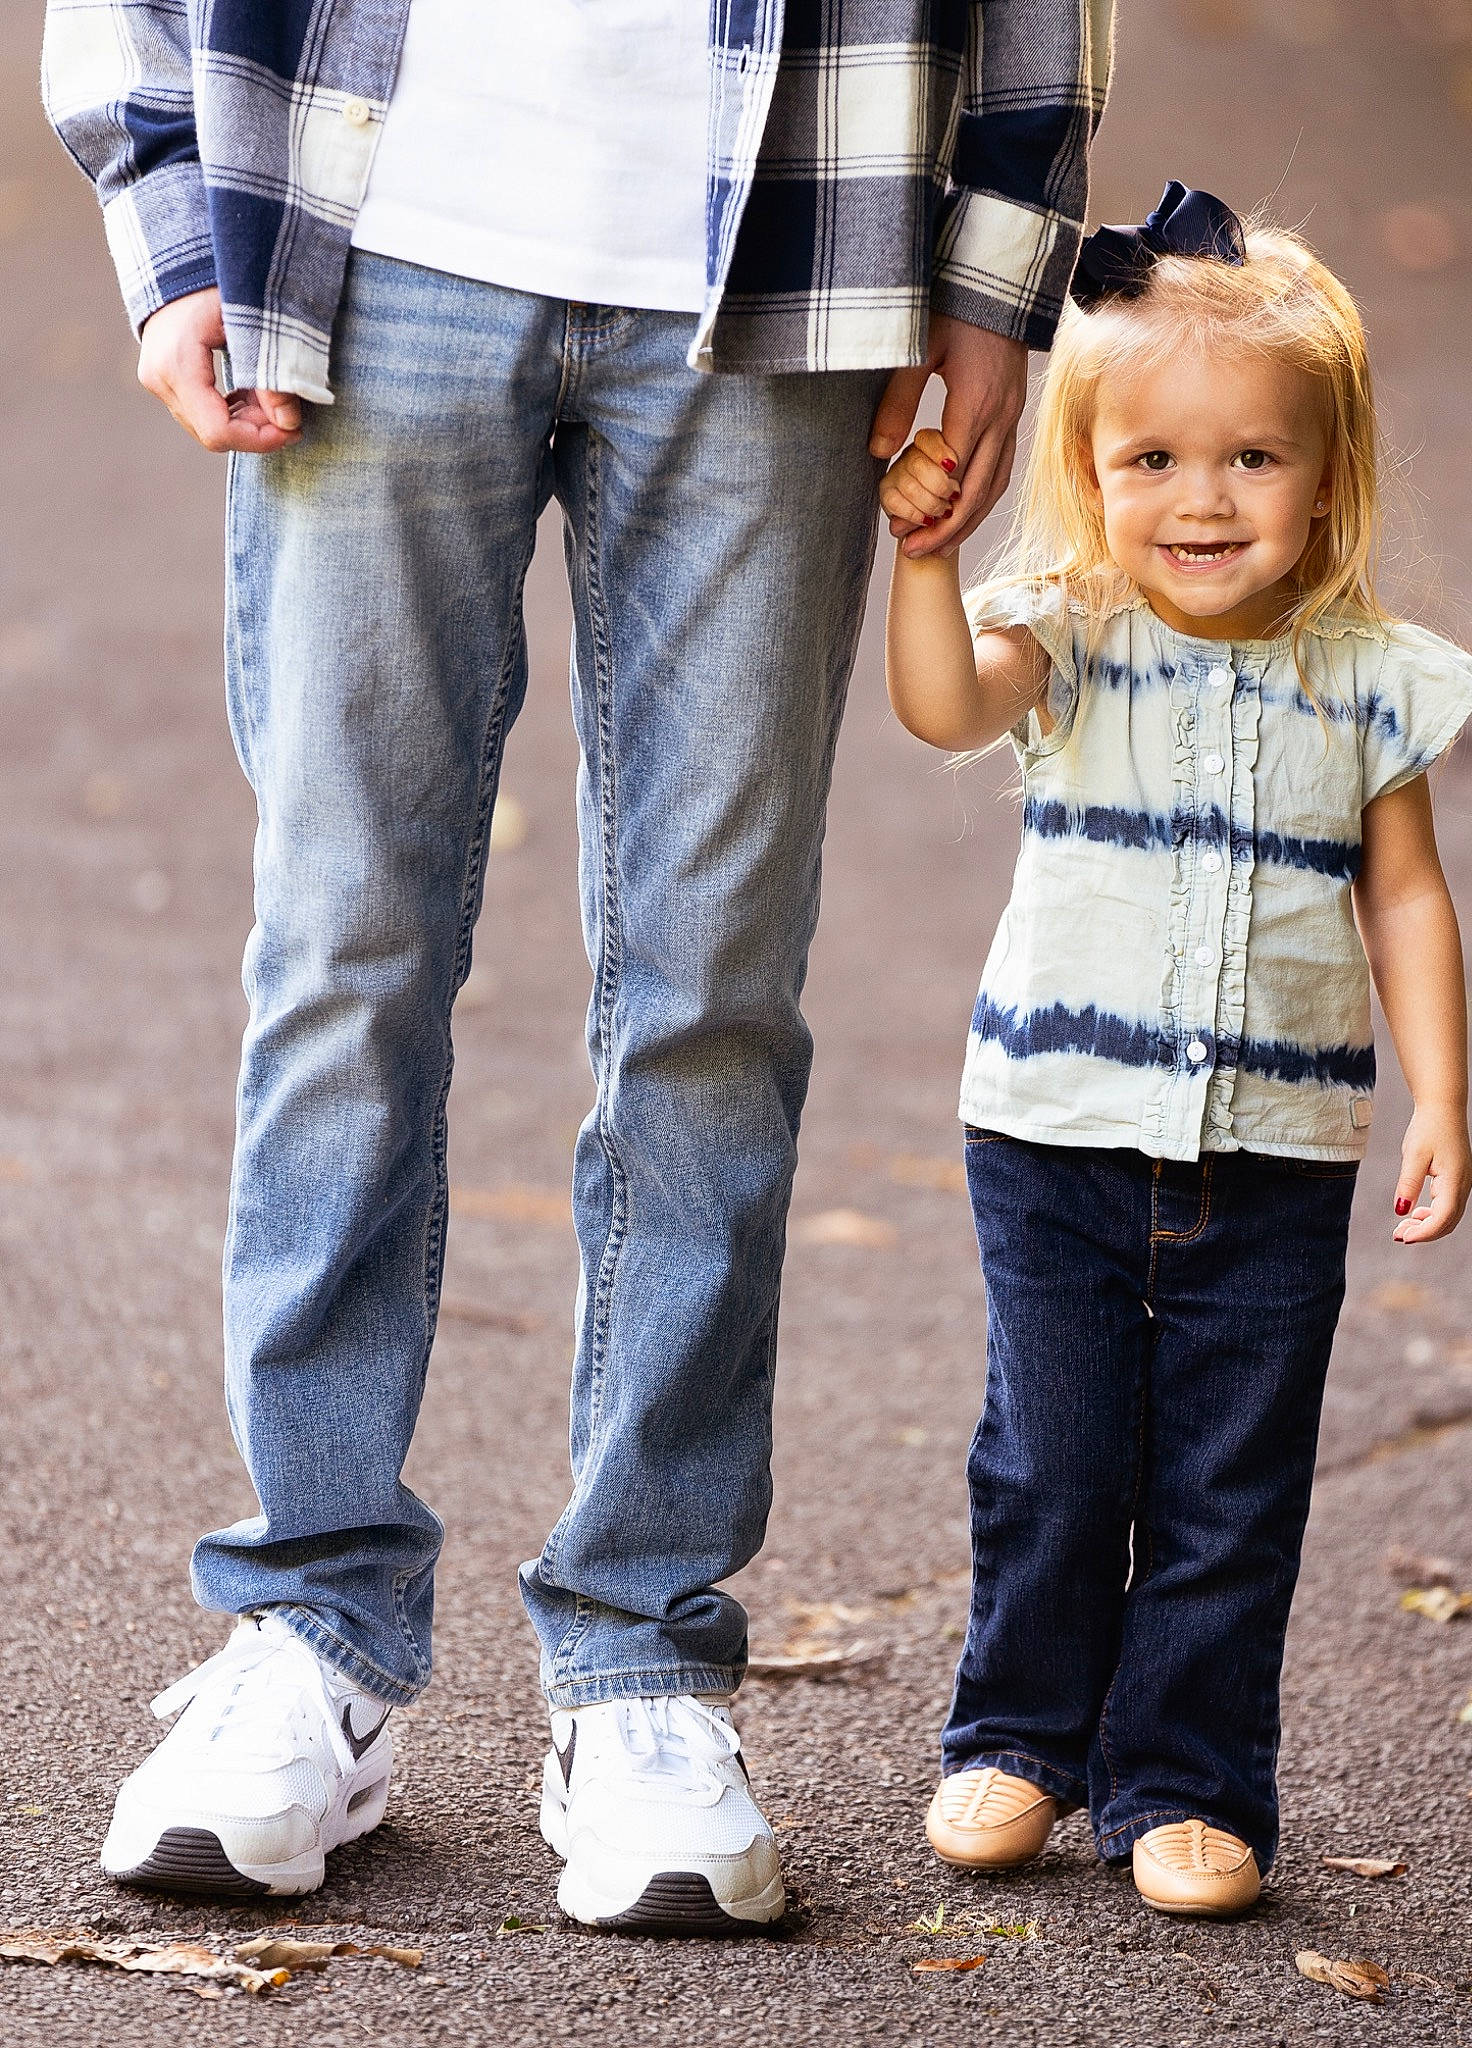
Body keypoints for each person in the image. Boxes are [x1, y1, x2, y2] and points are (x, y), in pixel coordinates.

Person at [42, 0, 1112, 1929]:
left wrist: (993, 274)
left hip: (795, 255)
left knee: (714, 989)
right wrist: (179, 221)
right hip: (365, 234)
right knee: (343, 969)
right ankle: (311, 1631)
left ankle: (640, 1661)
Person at [879, 184, 1472, 1917]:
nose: (1200, 500)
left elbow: (1412, 900)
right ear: (1089, 473)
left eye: (1250, 462)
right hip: (1056, 1128)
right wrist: (922, 556)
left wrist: (1440, 1094)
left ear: (1327, 470)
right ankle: (1015, 1738)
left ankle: (1190, 1780)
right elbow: (939, 707)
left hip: (1281, 1149)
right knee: (1056, 1462)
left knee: (1231, 1489)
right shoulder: (1068, 633)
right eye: (1150, 460)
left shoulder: (1373, 681)